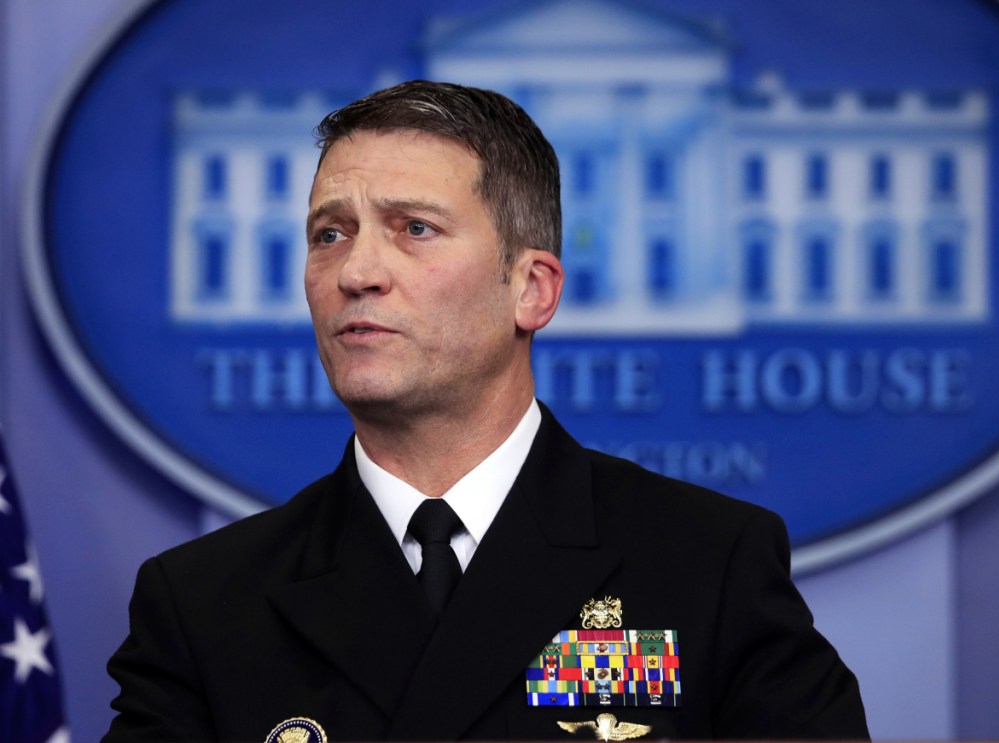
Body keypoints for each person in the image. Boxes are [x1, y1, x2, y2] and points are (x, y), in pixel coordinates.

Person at [103, 80, 869, 742]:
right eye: (330, 233)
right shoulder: (202, 603)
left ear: (531, 288)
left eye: (415, 228)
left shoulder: (709, 563)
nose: (357, 270)